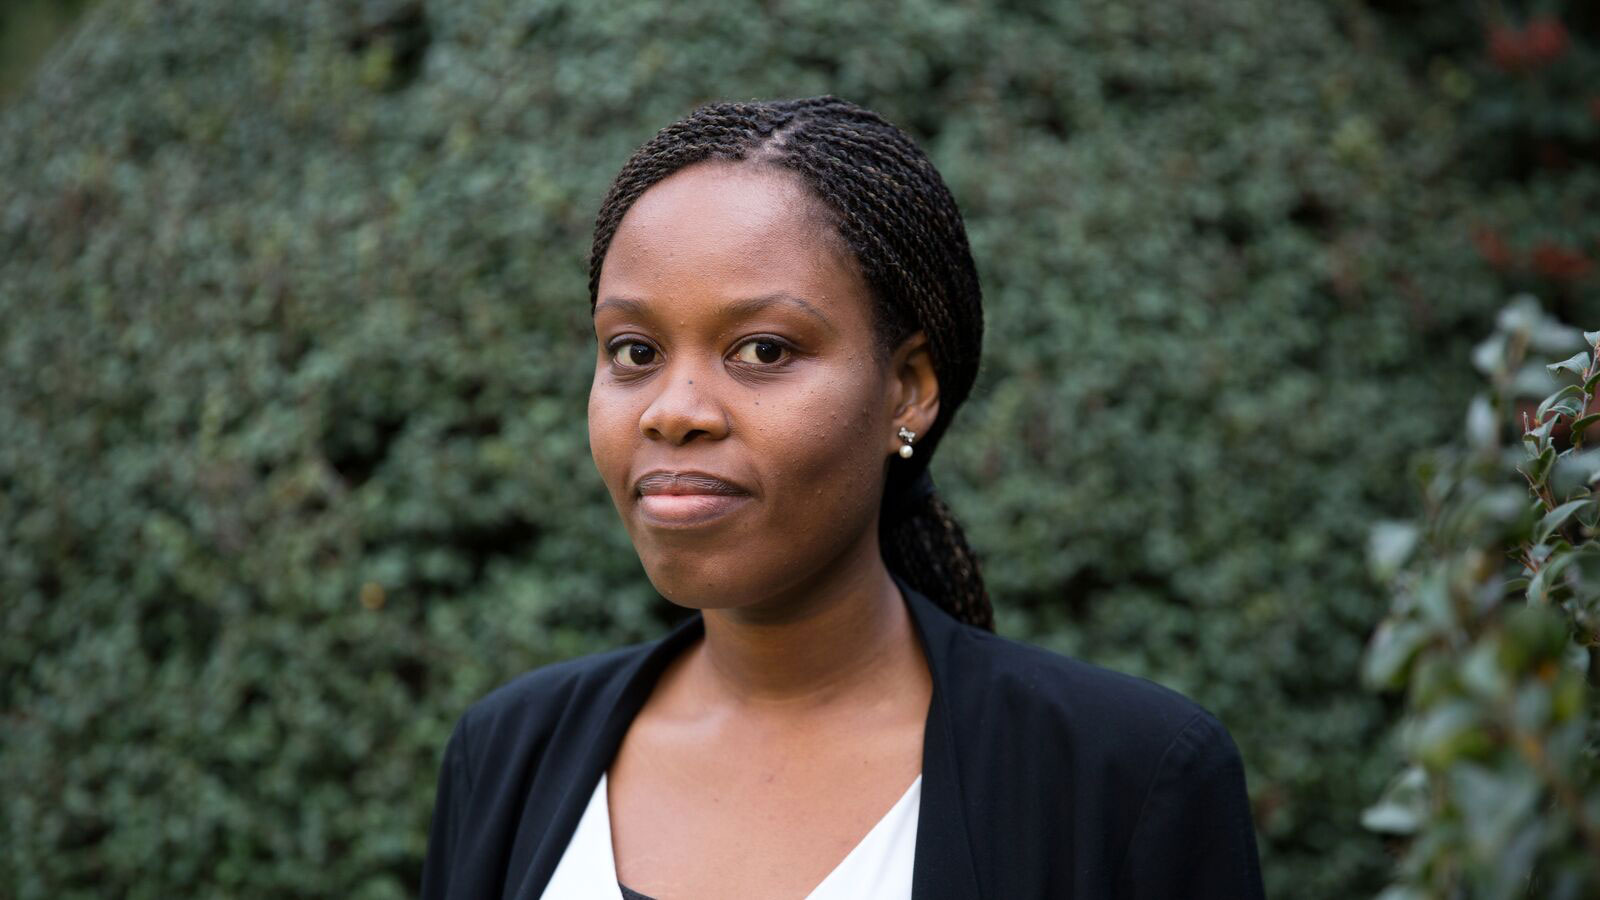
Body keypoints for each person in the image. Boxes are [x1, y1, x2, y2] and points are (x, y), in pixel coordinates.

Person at [420, 96, 1265, 900]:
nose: (673, 410)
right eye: (634, 351)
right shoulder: (506, 757)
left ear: (907, 388)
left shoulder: (1125, 778)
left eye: (761, 349)